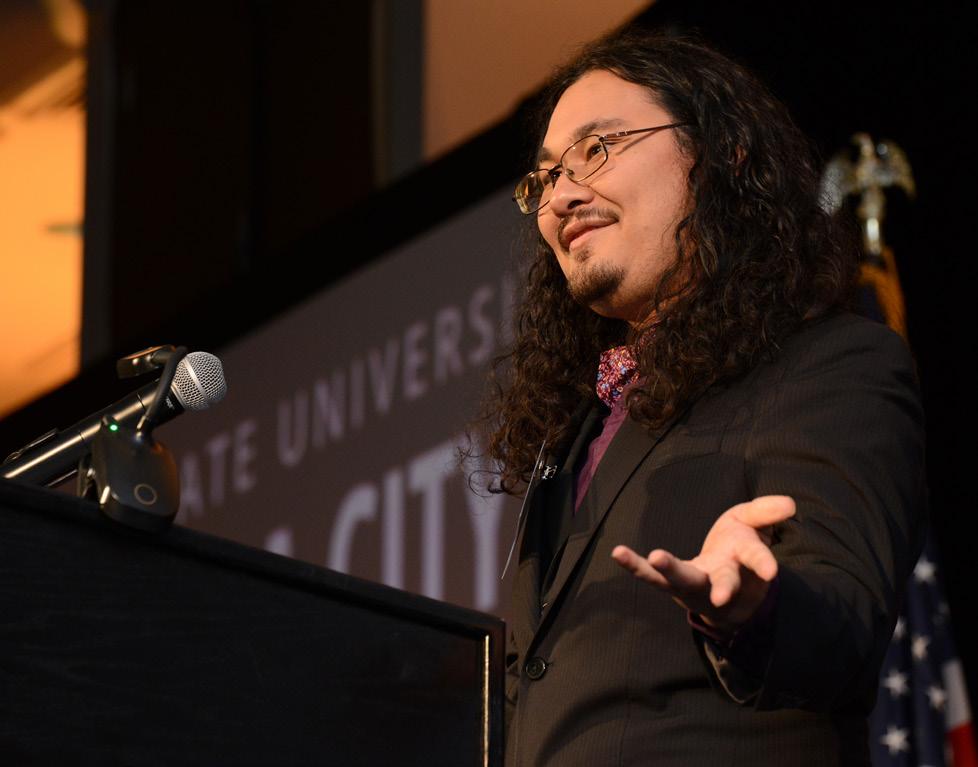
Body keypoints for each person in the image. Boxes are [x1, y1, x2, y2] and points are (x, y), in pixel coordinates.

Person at [476, 28, 927, 766]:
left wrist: (755, 610)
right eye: (547, 176)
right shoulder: (580, 429)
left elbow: (842, 622)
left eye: (597, 149)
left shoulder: (830, 364)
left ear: (722, 156)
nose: (561, 195)